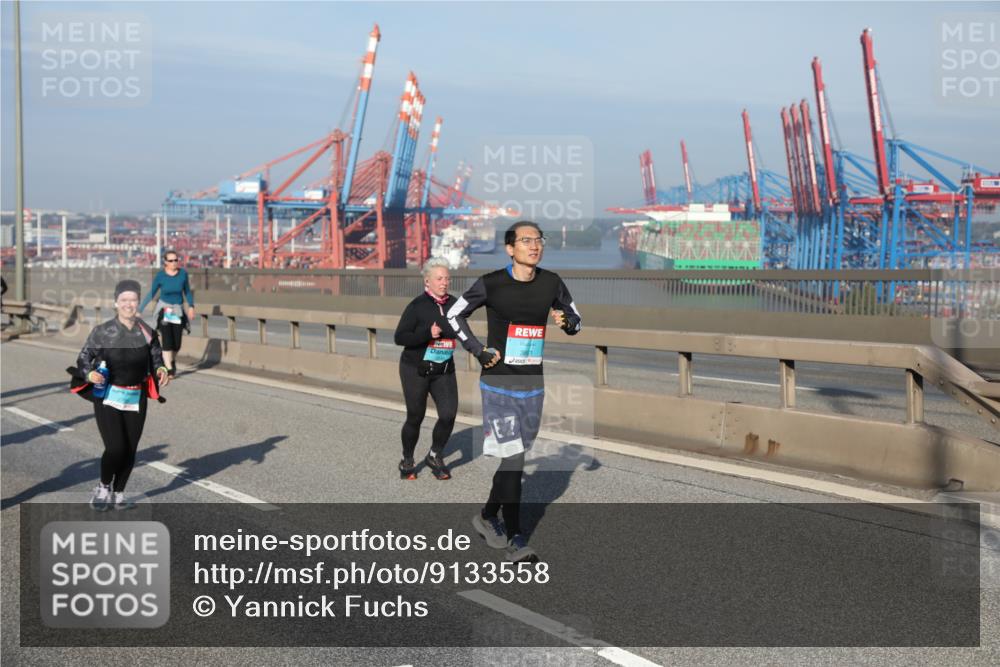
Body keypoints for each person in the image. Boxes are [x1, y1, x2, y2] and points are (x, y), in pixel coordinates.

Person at [447, 221, 582, 562]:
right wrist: (478, 349)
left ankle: (487, 516)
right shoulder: (491, 283)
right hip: (498, 387)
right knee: (515, 458)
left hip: (533, 388)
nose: (534, 246)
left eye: (538, 240)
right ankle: (516, 539)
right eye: (526, 241)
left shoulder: (551, 282)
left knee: (513, 461)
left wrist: (567, 323)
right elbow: (454, 315)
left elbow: (575, 319)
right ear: (510, 249)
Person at [78, 279, 170, 510]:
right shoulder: (103, 331)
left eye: (133, 300)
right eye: (124, 300)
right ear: (116, 303)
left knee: (130, 448)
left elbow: (157, 359)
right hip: (108, 394)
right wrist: (90, 375)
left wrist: (161, 370)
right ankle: (103, 486)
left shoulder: (147, 332)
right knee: (116, 447)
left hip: (135, 396)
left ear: (139, 302)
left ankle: (118, 494)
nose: (129, 304)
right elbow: (83, 359)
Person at [393, 258, 459, 480]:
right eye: (439, 279)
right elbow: (399, 337)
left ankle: (434, 455)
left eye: (447, 278)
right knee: (415, 416)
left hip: (443, 368)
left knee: (449, 415)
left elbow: (464, 328)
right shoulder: (417, 306)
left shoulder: (455, 304)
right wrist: (426, 334)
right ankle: (408, 459)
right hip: (415, 368)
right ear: (427, 281)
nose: (444, 283)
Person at [138, 250, 195, 376]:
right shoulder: (160, 276)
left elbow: (187, 292)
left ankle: (172, 360)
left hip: (177, 310)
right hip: (165, 310)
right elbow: (151, 293)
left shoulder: (182, 274)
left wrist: (191, 306)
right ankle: (169, 368)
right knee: (167, 340)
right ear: (165, 262)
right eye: (171, 260)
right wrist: (140, 309)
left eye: (176, 260)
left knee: (177, 343)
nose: (174, 263)